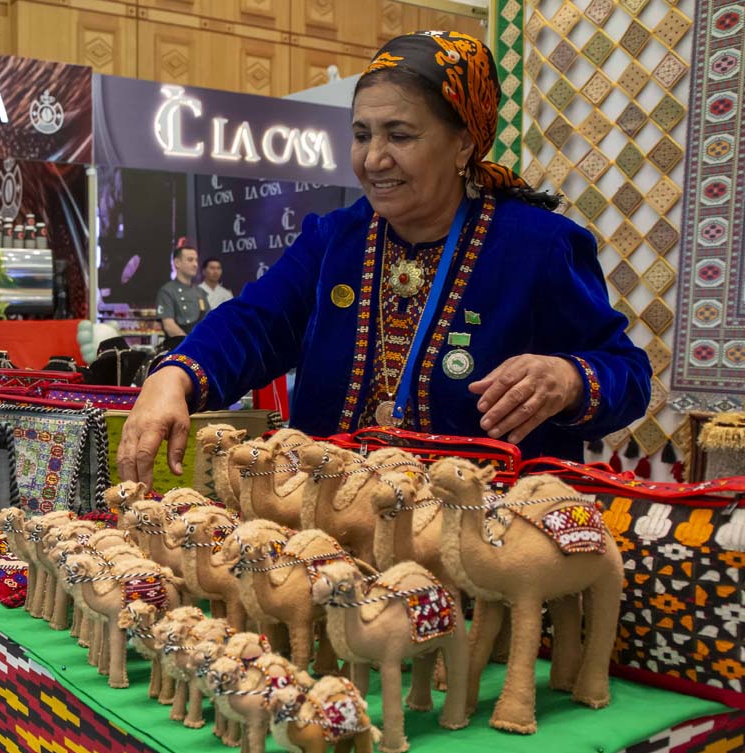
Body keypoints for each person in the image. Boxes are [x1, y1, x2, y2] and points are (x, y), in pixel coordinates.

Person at [119, 31, 650, 486]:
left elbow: (627, 372)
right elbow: (256, 322)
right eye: (361, 135)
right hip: (333, 540)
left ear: (463, 143)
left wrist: (568, 377)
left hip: (488, 553)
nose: (374, 158)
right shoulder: (336, 239)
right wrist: (173, 377)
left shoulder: (538, 245)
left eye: (400, 135)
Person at [156, 245, 209, 338]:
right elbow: (169, 326)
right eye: (190, 260)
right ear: (177, 263)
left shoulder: (200, 292)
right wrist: (190, 345)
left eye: (196, 260)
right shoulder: (167, 291)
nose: (195, 264)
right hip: (178, 348)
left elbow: (208, 322)